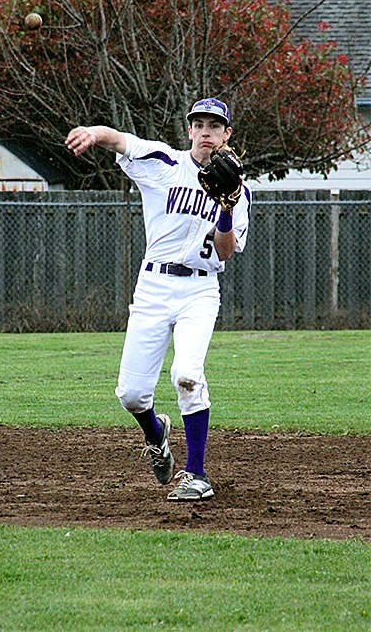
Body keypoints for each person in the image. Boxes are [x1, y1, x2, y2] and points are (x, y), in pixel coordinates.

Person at [65, 98, 251, 501]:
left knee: (186, 373)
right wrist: (93, 134)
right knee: (131, 395)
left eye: (214, 126)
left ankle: (196, 474)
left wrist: (225, 208)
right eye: (198, 124)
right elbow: (123, 143)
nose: (206, 132)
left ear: (226, 135)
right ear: (188, 131)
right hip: (152, 287)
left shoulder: (239, 190)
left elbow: (223, 252)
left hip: (200, 290)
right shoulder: (165, 164)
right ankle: (156, 433)